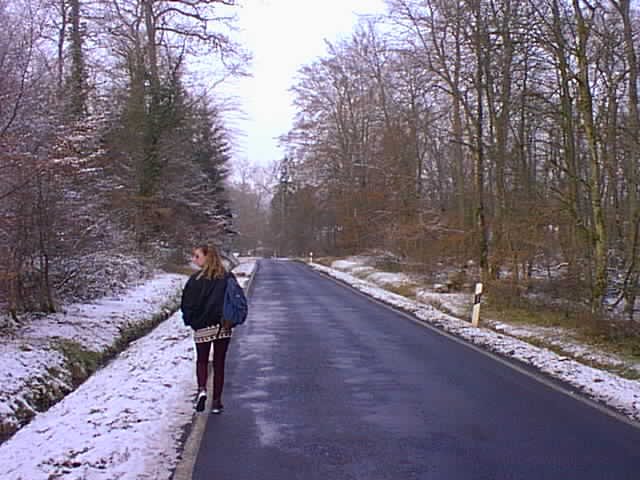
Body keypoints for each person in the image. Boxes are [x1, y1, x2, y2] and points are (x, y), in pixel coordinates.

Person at [181, 244, 234, 414]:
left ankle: (202, 389)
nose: (194, 259)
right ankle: (217, 402)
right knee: (219, 364)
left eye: (197, 256)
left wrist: (192, 322)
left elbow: (186, 305)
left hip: (202, 327)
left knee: (202, 360)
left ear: (207, 257)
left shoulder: (195, 280)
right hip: (222, 326)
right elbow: (234, 300)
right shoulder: (227, 277)